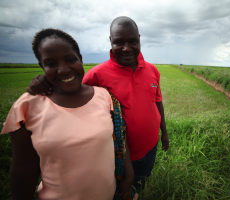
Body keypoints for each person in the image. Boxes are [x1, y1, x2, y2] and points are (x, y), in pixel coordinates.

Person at [27, 16, 170, 190]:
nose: (126, 48)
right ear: (111, 42)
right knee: (119, 190)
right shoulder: (96, 75)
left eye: (132, 41)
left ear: (139, 39)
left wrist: (164, 132)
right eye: (119, 42)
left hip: (150, 146)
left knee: (141, 185)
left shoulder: (152, 70)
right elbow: (70, 89)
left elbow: (157, 103)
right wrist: (47, 81)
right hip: (118, 155)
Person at [1, 28, 137, 200]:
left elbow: (119, 139)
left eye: (70, 59)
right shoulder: (27, 107)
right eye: (51, 63)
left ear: (80, 59)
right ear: (41, 66)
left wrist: (128, 174)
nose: (64, 69)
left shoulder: (104, 97)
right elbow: (23, 167)